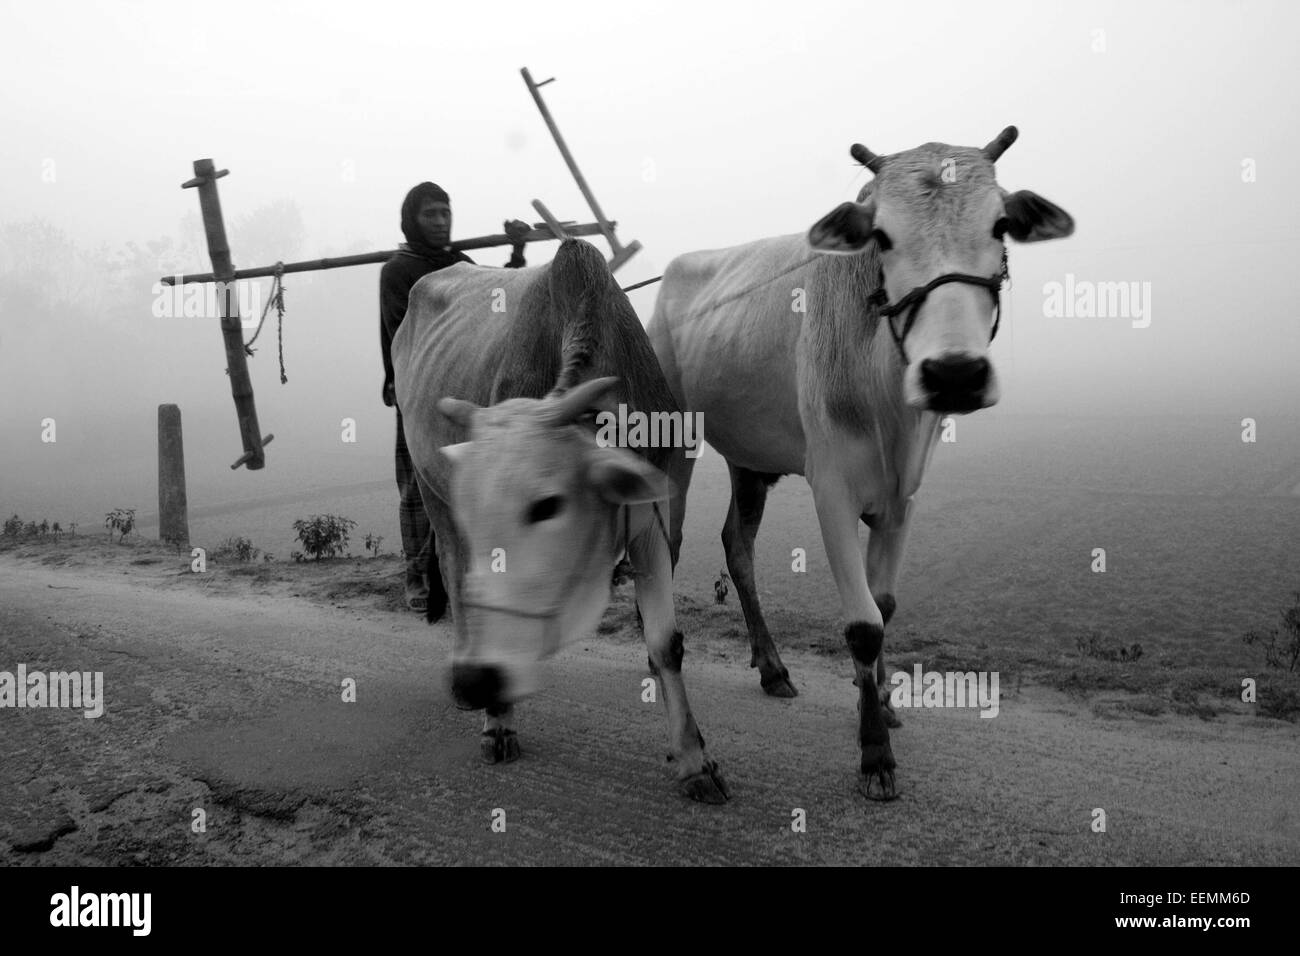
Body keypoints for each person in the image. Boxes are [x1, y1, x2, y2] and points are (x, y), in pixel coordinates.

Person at [380, 182, 530, 611]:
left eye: (446, 212)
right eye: (431, 214)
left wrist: (517, 253)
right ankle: (418, 578)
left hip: (466, 389)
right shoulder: (398, 272)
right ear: (412, 220)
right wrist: (405, 386)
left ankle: (476, 576)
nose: (441, 221)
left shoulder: (461, 266)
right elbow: (400, 336)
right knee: (417, 489)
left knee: (471, 483)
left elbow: (497, 303)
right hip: (419, 390)